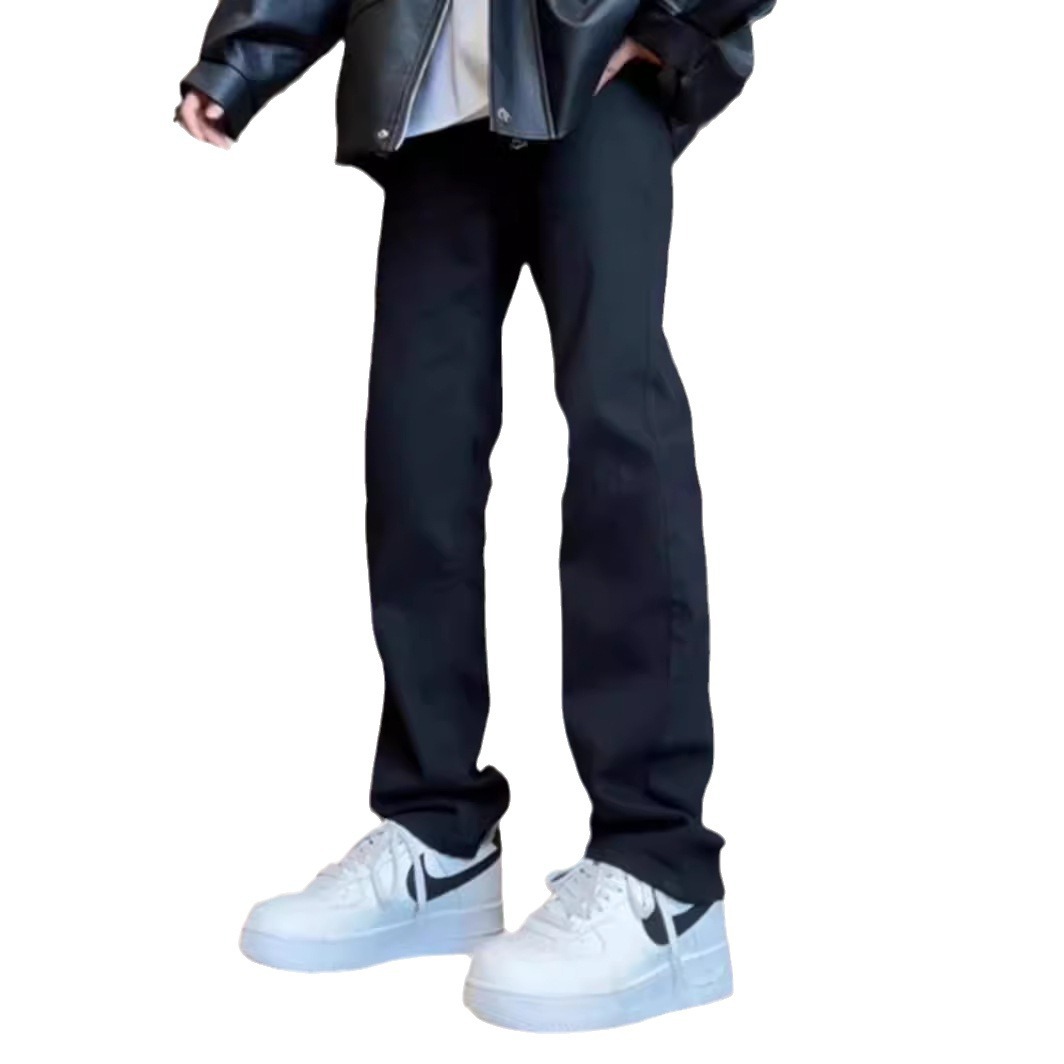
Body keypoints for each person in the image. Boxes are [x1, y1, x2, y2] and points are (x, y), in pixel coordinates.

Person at [177, 0, 773, 1032]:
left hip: (594, 77)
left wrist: (672, 28)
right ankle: (438, 834)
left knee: (619, 437)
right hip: (433, 104)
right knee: (416, 452)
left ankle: (659, 868)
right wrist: (240, 60)